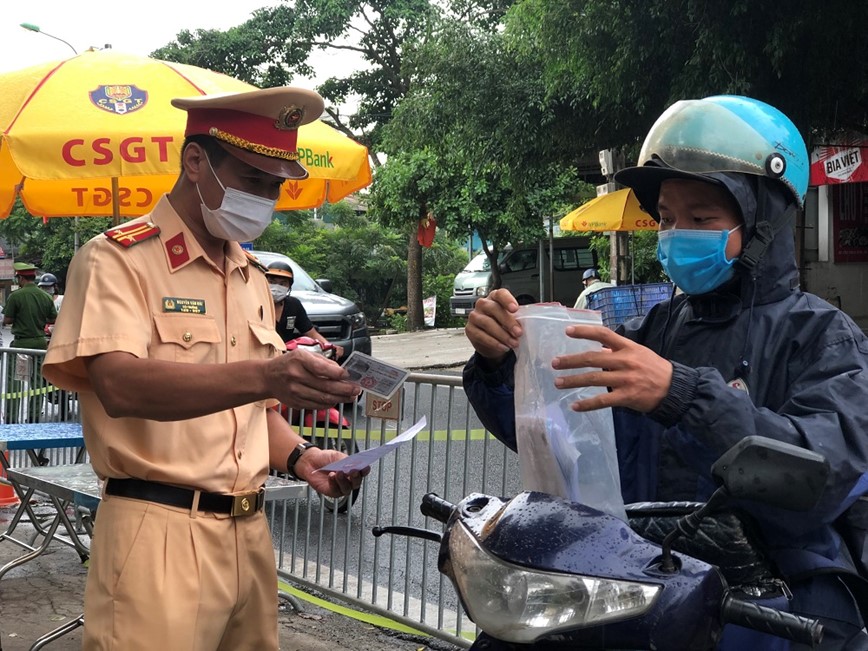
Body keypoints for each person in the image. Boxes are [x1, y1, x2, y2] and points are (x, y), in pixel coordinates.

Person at [462, 96, 868, 650]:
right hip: (644, 595)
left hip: (772, 613)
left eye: (702, 218)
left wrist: (683, 395)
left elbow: (824, 475)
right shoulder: (658, 325)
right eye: (669, 219)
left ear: (763, 224)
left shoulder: (823, 335)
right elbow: (564, 425)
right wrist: (501, 361)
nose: (678, 234)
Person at [42, 86, 369, 651]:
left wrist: (302, 456)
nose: (267, 199)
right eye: (254, 180)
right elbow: (118, 384)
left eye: (276, 185)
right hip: (157, 533)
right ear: (196, 162)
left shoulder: (252, 278)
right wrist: (267, 376)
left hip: (250, 535)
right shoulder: (118, 260)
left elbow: (253, 412)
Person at [3, 262, 57, 423]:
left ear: (20, 278)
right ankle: (33, 417)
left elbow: (7, 320)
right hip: (40, 344)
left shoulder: (16, 296)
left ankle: (12, 419)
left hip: (21, 345)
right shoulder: (46, 297)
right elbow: (53, 318)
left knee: (16, 381)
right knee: (38, 383)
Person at [267, 259, 344, 359]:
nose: (277, 287)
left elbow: (311, 333)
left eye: (282, 284)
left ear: (289, 287)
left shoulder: (293, 305)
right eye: (272, 282)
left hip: (287, 359)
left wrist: (329, 346)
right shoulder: (255, 304)